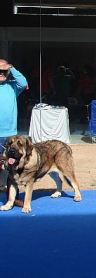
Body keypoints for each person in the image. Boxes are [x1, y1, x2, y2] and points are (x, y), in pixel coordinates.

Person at [0, 59, 27, 207]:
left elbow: (23, 82)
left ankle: (12, 198)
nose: (1, 74)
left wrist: (11, 67)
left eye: (4, 71)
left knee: (12, 169)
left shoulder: (12, 87)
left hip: (10, 136)